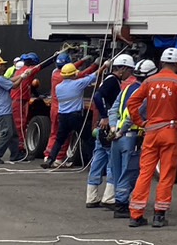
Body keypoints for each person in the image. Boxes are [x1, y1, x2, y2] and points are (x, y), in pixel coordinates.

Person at [125, 47, 177, 228]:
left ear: (161, 62)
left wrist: (141, 122)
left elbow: (132, 102)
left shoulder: (149, 81)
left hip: (151, 132)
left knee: (145, 173)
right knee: (166, 174)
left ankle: (136, 214)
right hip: (170, 131)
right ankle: (159, 215)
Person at [85, 53, 131, 207]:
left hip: (103, 126)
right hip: (108, 124)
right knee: (112, 162)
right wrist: (105, 116)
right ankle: (109, 197)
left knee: (98, 161)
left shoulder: (109, 79)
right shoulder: (112, 81)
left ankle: (91, 197)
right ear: (123, 69)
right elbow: (98, 96)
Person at [110, 58, 150, 218]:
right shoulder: (145, 94)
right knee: (130, 172)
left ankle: (118, 201)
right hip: (130, 137)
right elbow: (135, 114)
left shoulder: (126, 89)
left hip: (116, 137)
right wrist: (122, 130)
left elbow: (113, 109)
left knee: (117, 171)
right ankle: (121, 205)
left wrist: (114, 128)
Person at [42, 60, 98, 168]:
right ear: (73, 74)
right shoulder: (78, 84)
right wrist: (103, 65)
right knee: (87, 139)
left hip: (63, 117)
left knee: (59, 140)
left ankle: (50, 160)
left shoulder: (58, 87)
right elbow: (94, 75)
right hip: (75, 116)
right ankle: (92, 162)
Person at [0, 54, 40, 164]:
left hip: (4, 111)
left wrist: (22, 75)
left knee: (14, 134)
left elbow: (10, 79)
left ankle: (15, 155)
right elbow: (14, 85)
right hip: (2, 112)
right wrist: (23, 77)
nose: (4, 67)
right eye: (2, 65)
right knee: (7, 134)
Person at [44, 51, 73, 159]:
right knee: (64, 135)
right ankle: (59, 158)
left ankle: (48, 155)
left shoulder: (54, 74)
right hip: (62, 110)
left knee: (54, 133)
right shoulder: (65, 77)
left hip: (54, 108)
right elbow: (80, 74)